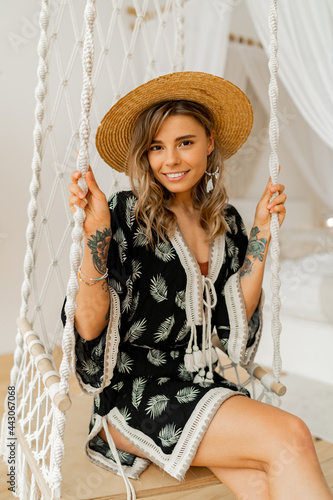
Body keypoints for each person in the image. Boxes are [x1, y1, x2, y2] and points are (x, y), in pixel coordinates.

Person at [65, 72, 332, 500]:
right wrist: (94, 232)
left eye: (184, 143)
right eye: (156, 147)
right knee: (294, 435)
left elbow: (232, 325)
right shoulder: (124, 214)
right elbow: (90, 326)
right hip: (136, 394)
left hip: (201, 384)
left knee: (265, 480)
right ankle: (118, 431)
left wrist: (261, 231)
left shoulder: (226, 222)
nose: (170, 159)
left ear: (209, 143)